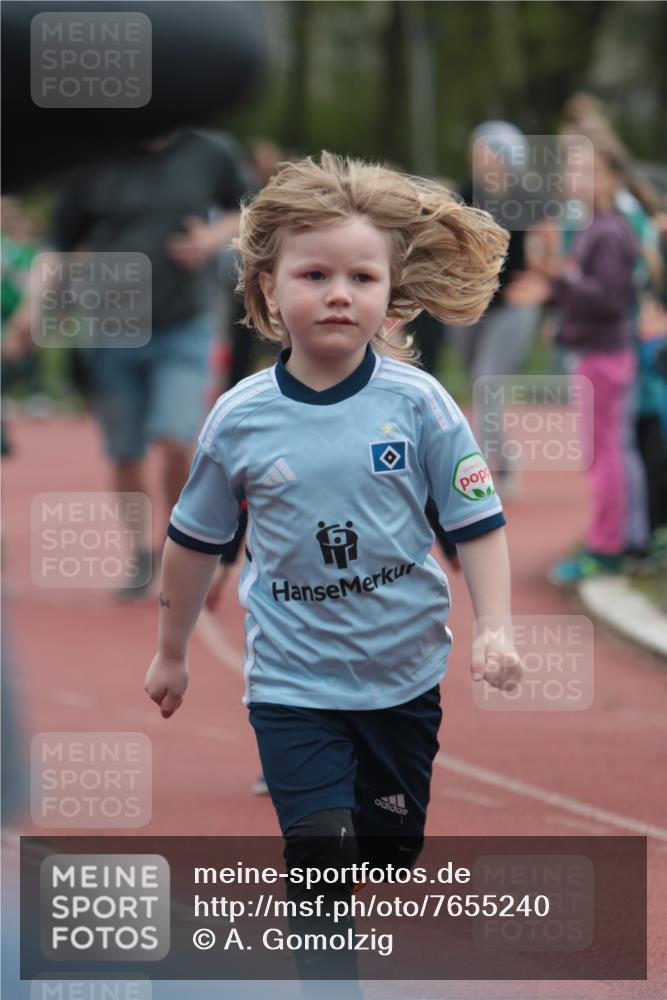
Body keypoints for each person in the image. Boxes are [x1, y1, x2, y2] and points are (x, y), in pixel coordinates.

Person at [144, 152, 523, 997]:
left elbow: (477, 525)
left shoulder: (420, 405)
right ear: (269, 289)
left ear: (391, 293)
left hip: (402, 676)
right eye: (313, 275)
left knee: (387, 852)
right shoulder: (238, 418)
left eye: (361, 277)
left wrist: (495, 628)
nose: (338, 294)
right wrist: (171, 651)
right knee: (319, 852)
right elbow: (192, 542)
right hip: (291, 680)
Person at [530, 141, 640, 584]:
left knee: (604, 454)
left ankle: (606, 547)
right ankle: (605, 540)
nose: (573, 179)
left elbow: (610, 299)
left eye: (586, 170)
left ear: (610, 178)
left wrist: (560, 278)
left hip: (604, 356)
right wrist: (562, 316)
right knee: (601, 453)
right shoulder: (593, 226)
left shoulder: (608, 231)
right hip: (596, 351)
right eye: (572, 169)